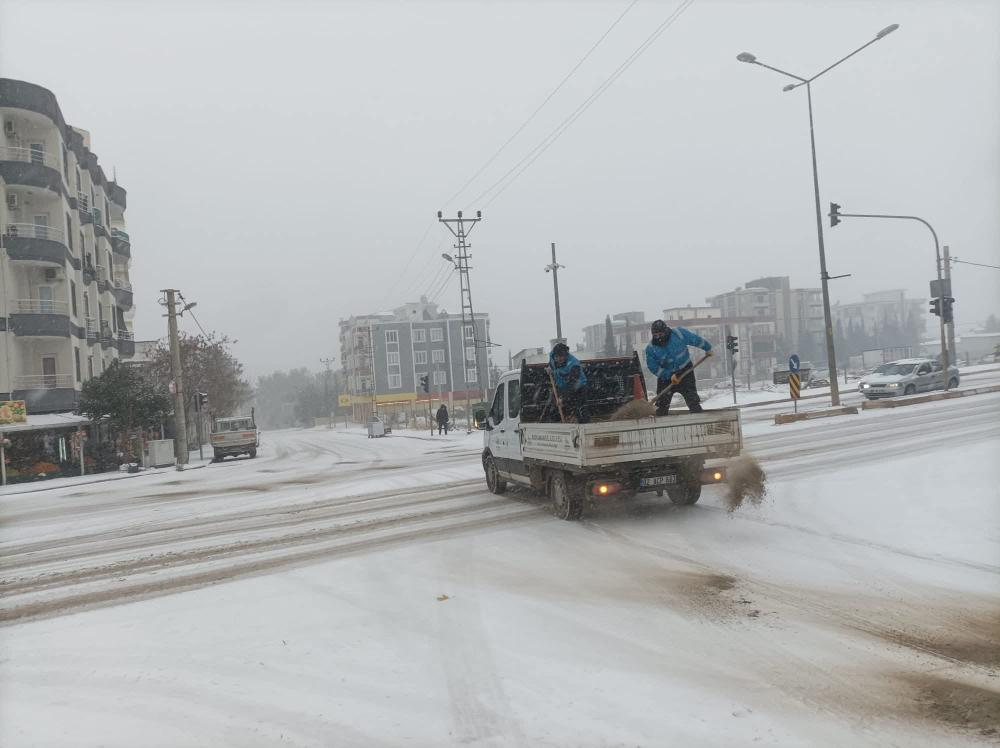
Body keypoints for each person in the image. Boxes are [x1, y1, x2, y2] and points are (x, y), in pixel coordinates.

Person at [645, 319, 713, 416]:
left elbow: (695, 339)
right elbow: (653, 367)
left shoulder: (679, 334)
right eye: (656, 335)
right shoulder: (651, 349)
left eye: (661, 334)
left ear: (666, 331)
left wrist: (707, 348)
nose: (659, 338)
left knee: (692, 400)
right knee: (662, 405)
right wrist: (668, 375)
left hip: (685, 371)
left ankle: (698, 418)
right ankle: (661, 423)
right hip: (666, 378)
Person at [548, 342, 590, 423]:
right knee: (555, 407)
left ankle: (584, 425)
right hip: (562, 386)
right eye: (557, 357)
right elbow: (551, 364)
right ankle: (559, 422)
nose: (559, 359)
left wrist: (562, 398)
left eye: (561, 356)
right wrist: (549, 368)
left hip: (578, 386)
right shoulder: (552, 356)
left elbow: (572, 385)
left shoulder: (574, 365)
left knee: (580, 408)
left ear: (566, 355)